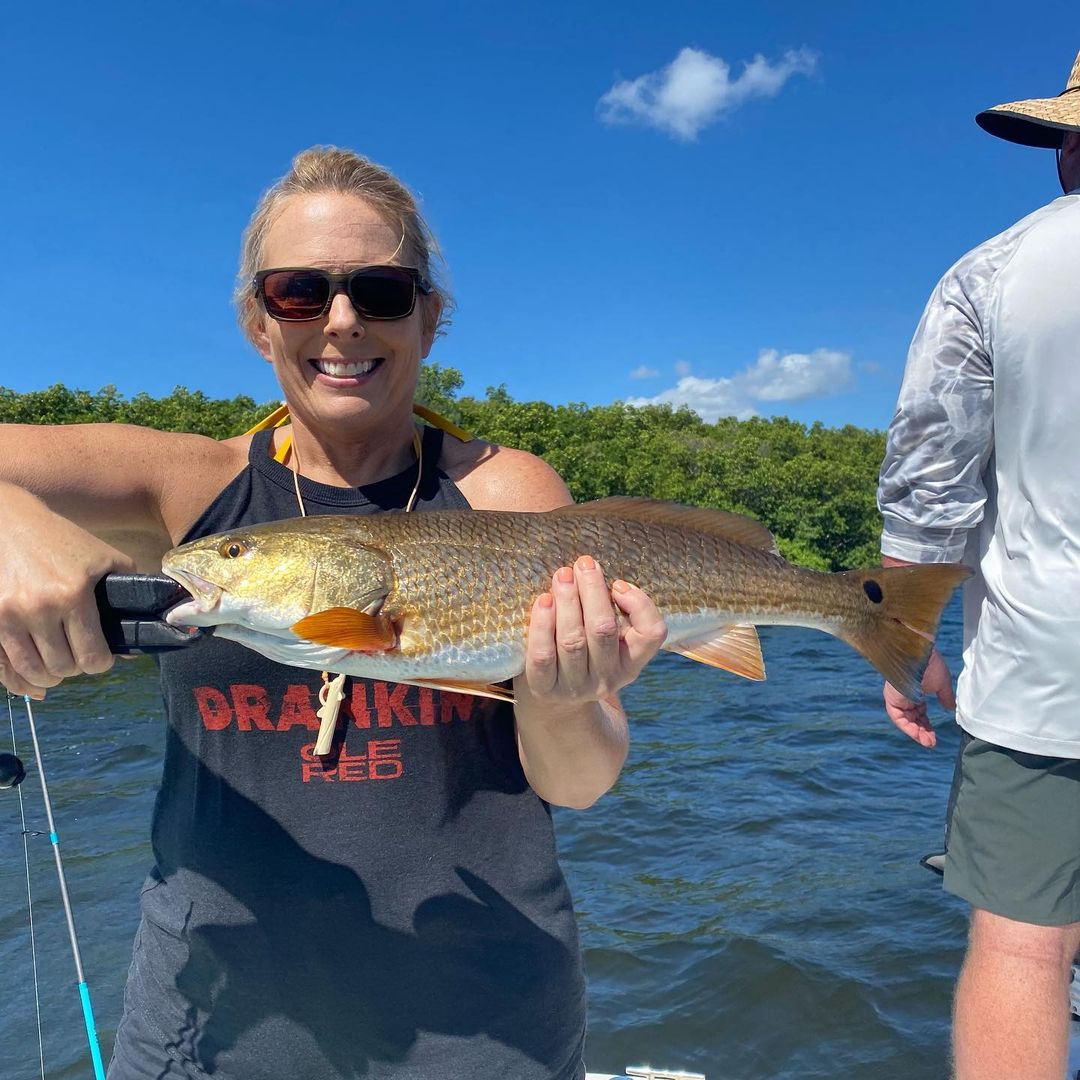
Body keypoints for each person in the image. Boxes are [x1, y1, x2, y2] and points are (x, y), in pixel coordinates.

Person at [0, 146, 668, 1080]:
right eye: (300, 292)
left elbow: (582, 781)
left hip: (482, 1026)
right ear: (257, 322)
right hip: (212, 1021)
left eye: (382, 291)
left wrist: (562, 696)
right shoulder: (186, 484)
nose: (343, 321)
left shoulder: (506, 487)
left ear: (430, 319)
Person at [877, 52, 1080, 1080]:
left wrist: (901, 645)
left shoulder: (990, 274)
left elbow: (929, 492)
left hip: (1050, 678)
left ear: (1068, 147)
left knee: (1021, 945)